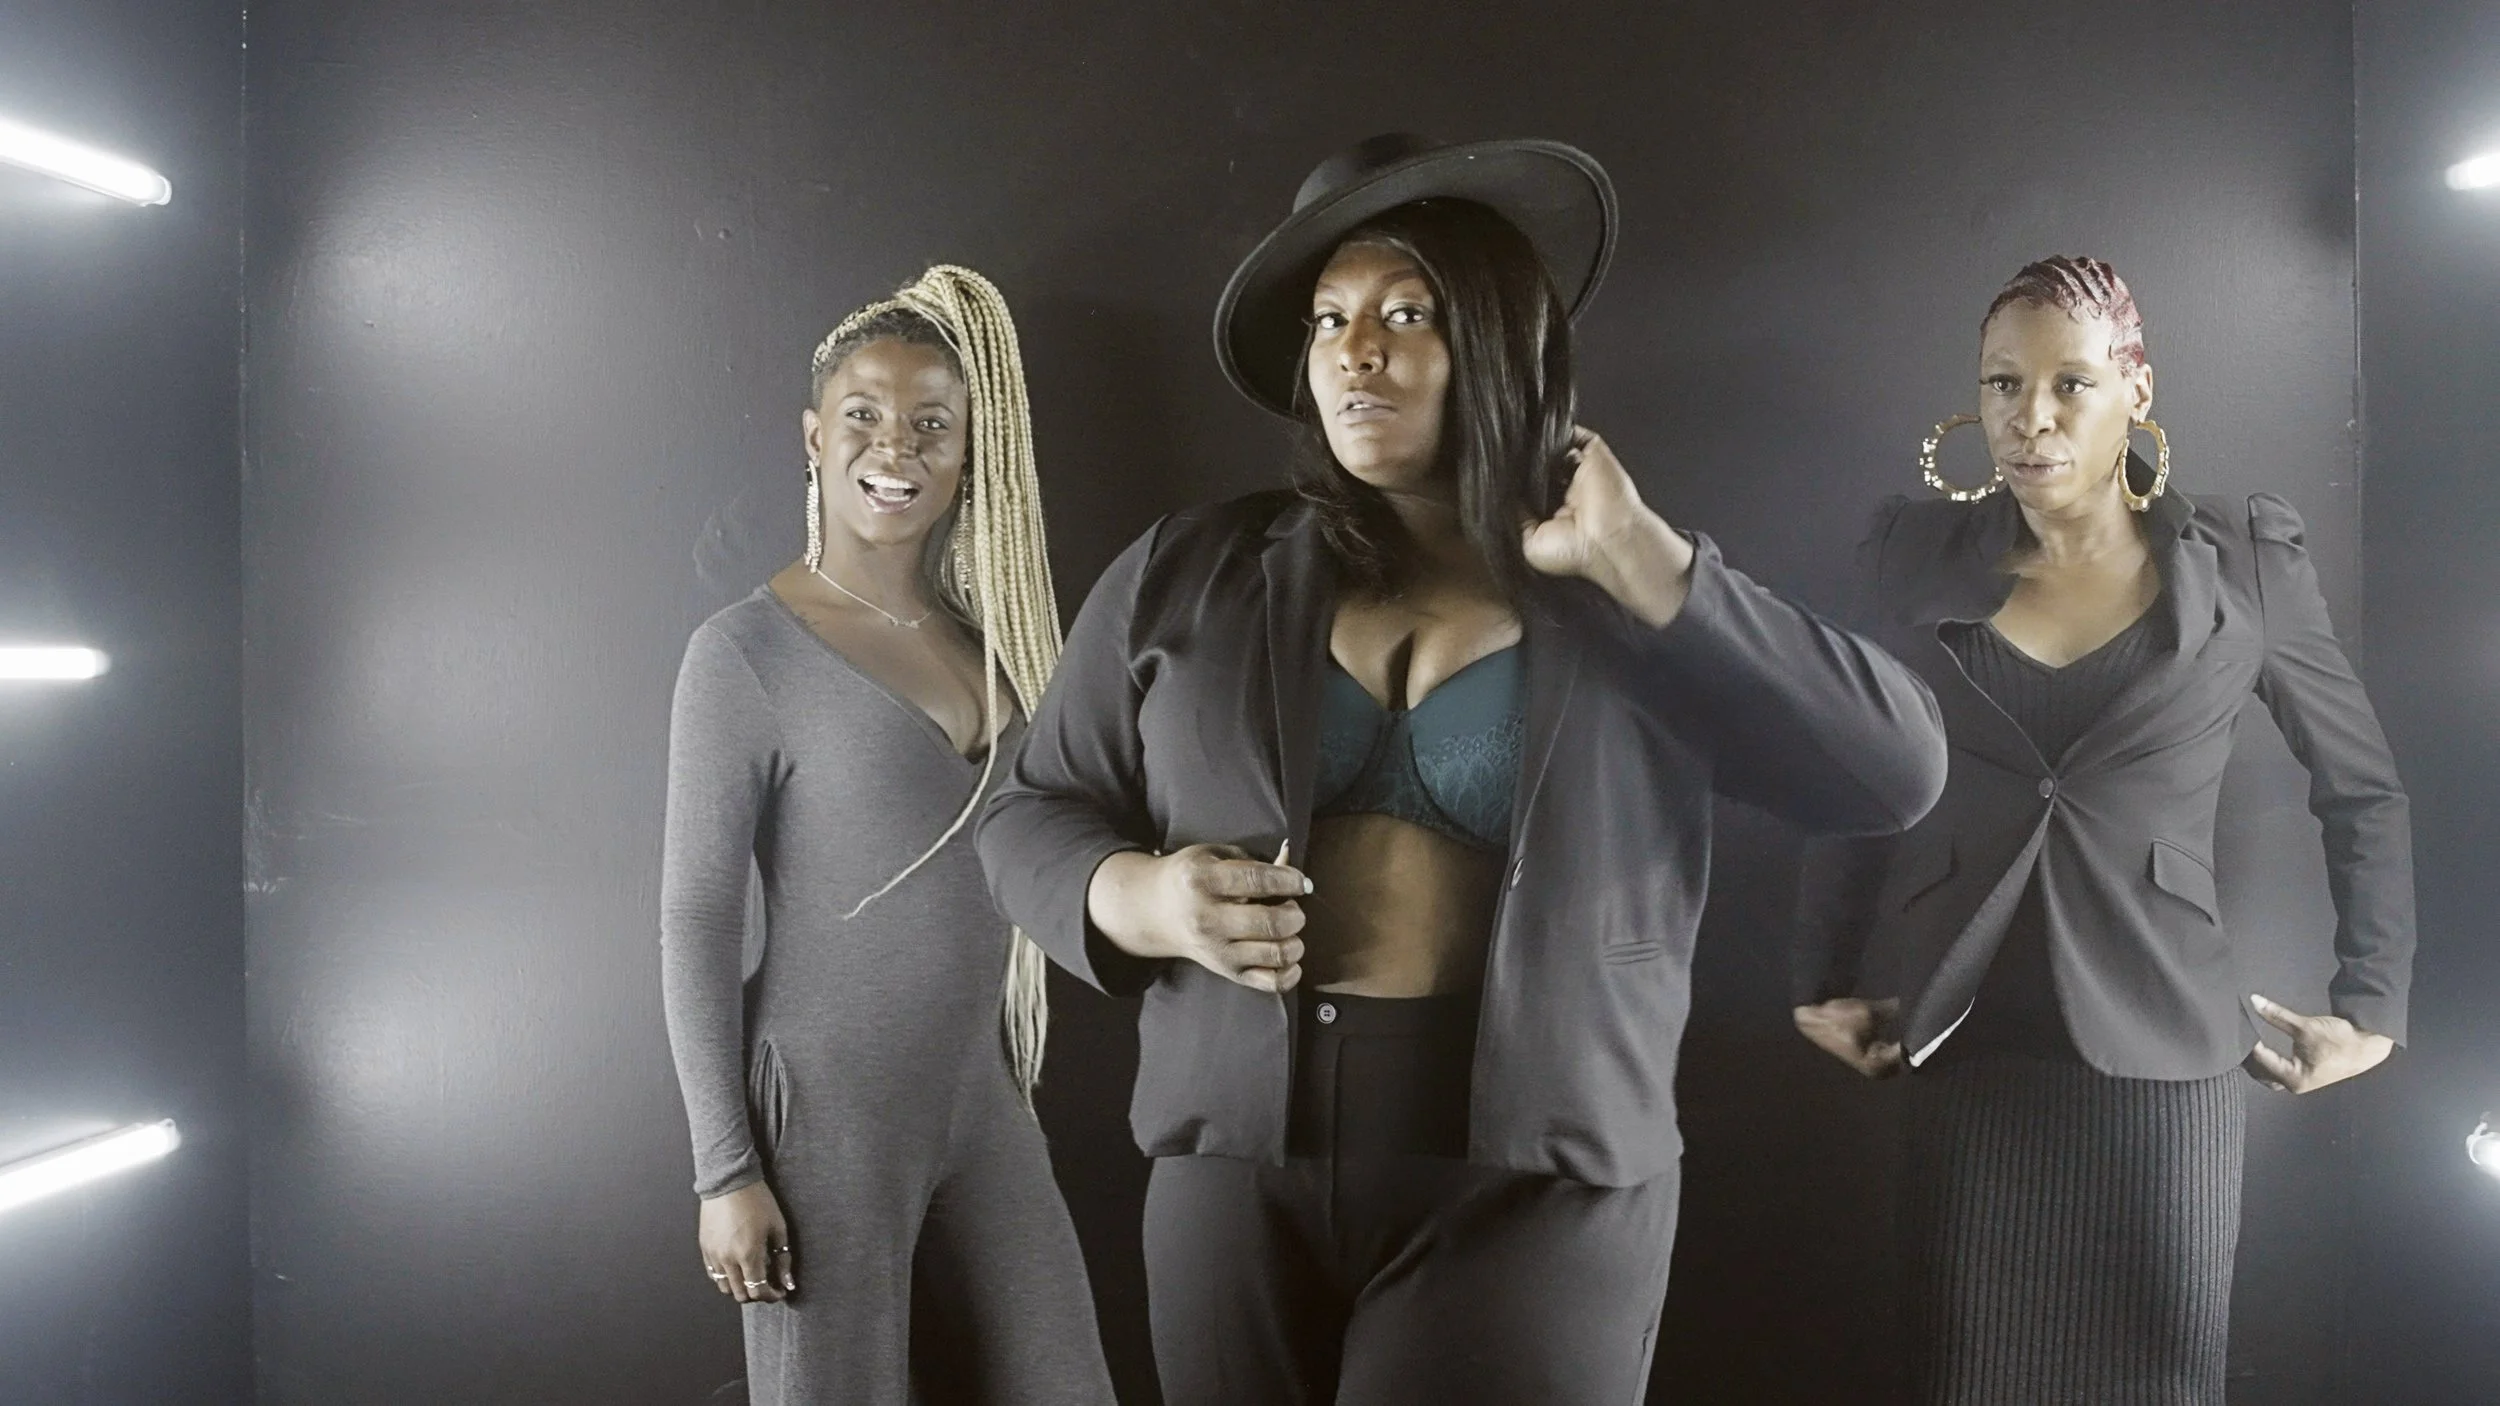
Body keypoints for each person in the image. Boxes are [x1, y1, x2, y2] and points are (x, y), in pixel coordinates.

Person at [976, 133, 1949, 1405]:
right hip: (1232, 1171)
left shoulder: (1628, 596)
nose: (1354, 349)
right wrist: (1141, 897)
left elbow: (1891, 771)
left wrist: (1649, 563)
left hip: (1536, 1186)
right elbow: (1027, 812)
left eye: (1406, 313)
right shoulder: (1188, 572)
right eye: (1328, 318)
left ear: (1498, 339)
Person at [1791, 256, 2414, 1403]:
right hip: (1968, 1059)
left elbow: (2361, 787)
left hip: (2164, 1066)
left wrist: (2371, 1007)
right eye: (2001, 383)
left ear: (2136, 388)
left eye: (2069, 383)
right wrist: (1820, 975)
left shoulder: (2240, 558)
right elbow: (1855, 768)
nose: (2028, 417)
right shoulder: (1910, 550)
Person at [658, 266, 1114, 1405]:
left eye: (931, 423)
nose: (895, 446)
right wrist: (724, 1169)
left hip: (979, 1095)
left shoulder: (994, 643)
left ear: (968, 453)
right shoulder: (745, 652)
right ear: (815, 437)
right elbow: (698, 917)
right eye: (863, 413)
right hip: (823, 1115)